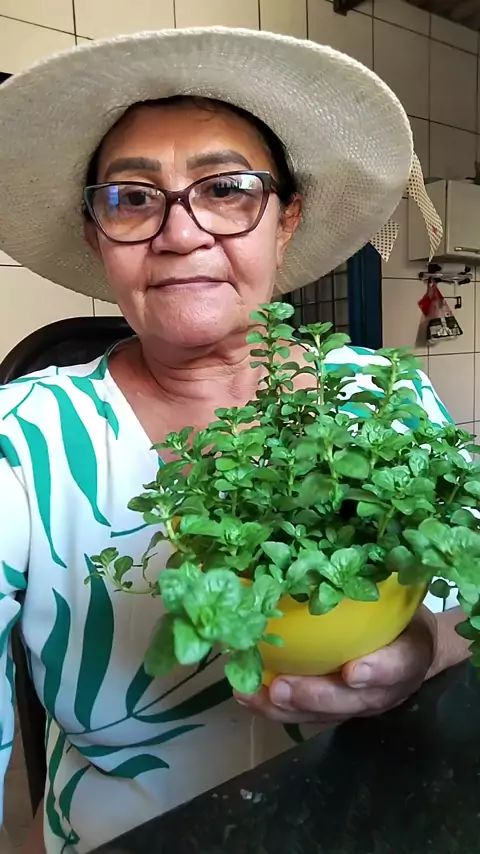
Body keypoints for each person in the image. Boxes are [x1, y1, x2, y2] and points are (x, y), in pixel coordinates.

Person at [0, 27, 470, 854]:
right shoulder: (21, 438)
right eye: (132, 198)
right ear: (96, 236)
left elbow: (465, 601)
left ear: (287, 220)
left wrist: (424, 647)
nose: (181, 233)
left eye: (226, 189)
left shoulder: (382, 398)